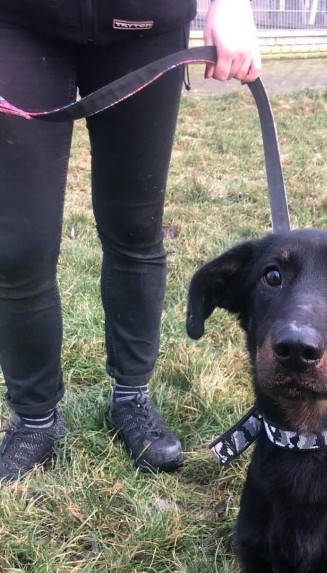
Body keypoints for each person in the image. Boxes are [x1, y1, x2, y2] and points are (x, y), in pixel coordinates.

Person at [0, 0, 261, 482]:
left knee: (135, 229)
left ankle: (131, 399)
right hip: (18, 21)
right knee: (18, 247)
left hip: (145, 22)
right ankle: (35, 420)